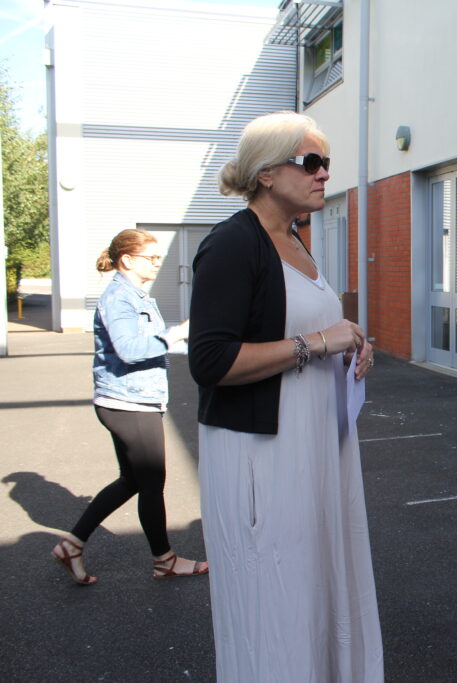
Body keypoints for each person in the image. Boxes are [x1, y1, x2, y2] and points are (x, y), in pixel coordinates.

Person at [189, 111, 383, 680]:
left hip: (317, 445)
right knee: (273, 596)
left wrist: (350, 347)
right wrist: (320, 342)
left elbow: (310, 332)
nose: (324, 174)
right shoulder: (231, 244)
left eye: (326, 163)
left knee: (315, 586)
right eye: (312, 162)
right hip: (264, 456)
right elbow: (211, 361)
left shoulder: (296, 239)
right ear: (267, 172)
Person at [50, 229, 204, 585]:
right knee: (151, 482)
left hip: (130, 401)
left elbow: (152, 344)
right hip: (128, 403)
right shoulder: (120, 298)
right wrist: (176, 334)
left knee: (132, 480)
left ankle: (72, 545)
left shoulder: (135, 295)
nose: (156, 262)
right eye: (150, 257)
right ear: (128, 260)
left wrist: (198, 344)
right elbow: (131, 350)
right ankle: (164, 560)